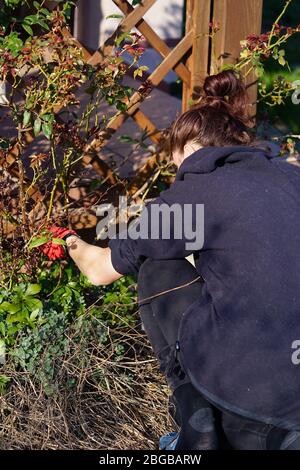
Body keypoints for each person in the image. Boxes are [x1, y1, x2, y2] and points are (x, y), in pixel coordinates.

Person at [40, 70, 300, 450]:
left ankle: (196, 417)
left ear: (191, 150)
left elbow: (98, 271)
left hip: (246, 395)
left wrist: (67, 238)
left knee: (159, 265)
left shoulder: (195, 195)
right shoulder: (290, 179)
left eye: (177, 165)